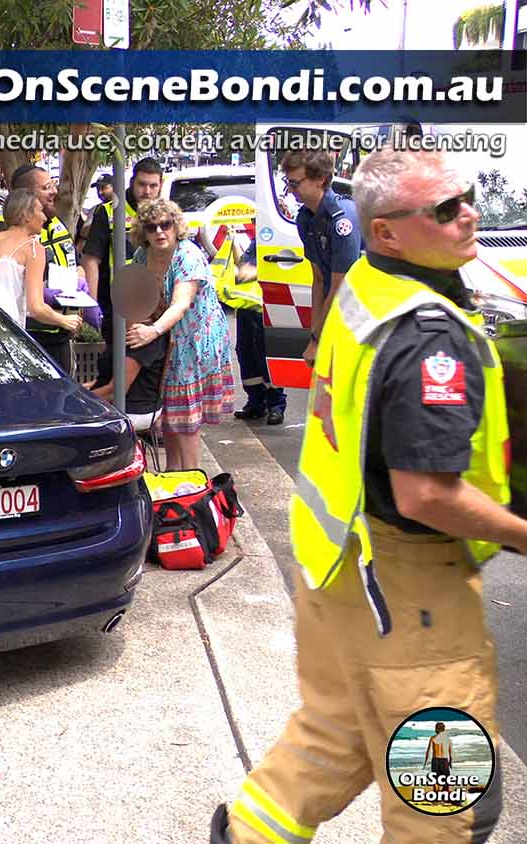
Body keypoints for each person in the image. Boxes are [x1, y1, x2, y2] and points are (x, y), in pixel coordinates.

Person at [210, 149, 526, 844]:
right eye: (444, 209)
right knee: (447, 808)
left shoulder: (367, 283)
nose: (468, 214)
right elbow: (425, 495)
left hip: (337, 573)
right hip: (412, 598)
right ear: (387, 231)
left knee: (333, 739)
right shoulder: (428, 337)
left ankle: (243, 833)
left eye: (465, 198)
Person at [125, 199, 232, 471]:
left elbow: (181, 304)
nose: (160, 231)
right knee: (169, 417)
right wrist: (136, 328)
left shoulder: (188, 254)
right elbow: (140, 300)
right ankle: (175, 480)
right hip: (166, 342)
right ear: (143, 232)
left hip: (195, 341)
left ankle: (192, 484)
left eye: (166, 224)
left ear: (176, 226)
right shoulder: (141, 256)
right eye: (152, 227)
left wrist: (151, 331)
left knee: (186, 421)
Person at [0, 190, 81, 373]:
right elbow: (36, 308)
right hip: (3, 332)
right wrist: (65, 321)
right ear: (26, 215)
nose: (44, 217)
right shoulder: (33, 248)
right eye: (40, 211)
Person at [84, 158, 164, 385]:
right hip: (117, 305)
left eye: (153, 186)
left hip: (155, 305)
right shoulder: (109, 212)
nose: (147, 191)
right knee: (117, 366)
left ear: (161, 185)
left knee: (149, 369)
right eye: (142, 184)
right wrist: (92, 306)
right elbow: (91, 260)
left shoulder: (164, 213)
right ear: (131, 182)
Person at [283, 149, 362, 366]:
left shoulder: (342, 221)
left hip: (357, 318)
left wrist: (317, 340)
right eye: (288, 182)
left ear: (321, 180)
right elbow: (318, 281)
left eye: (295, 183)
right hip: (334, 314)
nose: (290, 190)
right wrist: (315, 334)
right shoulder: (306, 219)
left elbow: (340, 287)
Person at [84, 291, 167, 432]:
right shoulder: (138, 330)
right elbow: (111, 377)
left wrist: (80, 400)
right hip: (129, 404)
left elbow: (115, 390)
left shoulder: (139, 336)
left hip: (132, 410)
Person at [231, 242, 287, 425]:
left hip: (265, 306)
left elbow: (247, 273)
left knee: (265, 356)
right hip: (248, 307)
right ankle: (256, 403)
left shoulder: (272, 236)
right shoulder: (257, 239)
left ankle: (276, 405)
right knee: (246, 354)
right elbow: (244, 268)